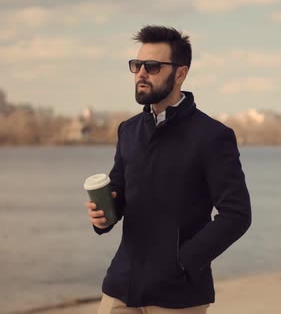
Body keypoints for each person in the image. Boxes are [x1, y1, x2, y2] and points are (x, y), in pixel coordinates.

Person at [85, 25, 252, 314]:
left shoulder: (212, 136)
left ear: (180, 73)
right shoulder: (128, 130)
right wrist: (103, 216)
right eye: (137, 65)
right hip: (122, 285)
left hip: (179, 294)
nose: (141, 73)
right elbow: (119, 191)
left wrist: (182, 260)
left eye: (152, 66)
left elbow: (237, 214)